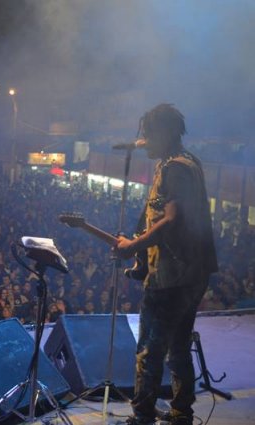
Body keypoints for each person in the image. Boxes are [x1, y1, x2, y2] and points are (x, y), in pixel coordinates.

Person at [116, 104, 217, 425]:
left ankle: (143, 414)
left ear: (166, 134)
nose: (143, 139)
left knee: (149, 349)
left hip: (171, 275)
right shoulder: (188, 162)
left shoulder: (174, 168)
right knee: (179, 346)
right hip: (192, 273)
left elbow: (171, 220)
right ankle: (180, 412)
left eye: (148, 134)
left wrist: (134, 245)